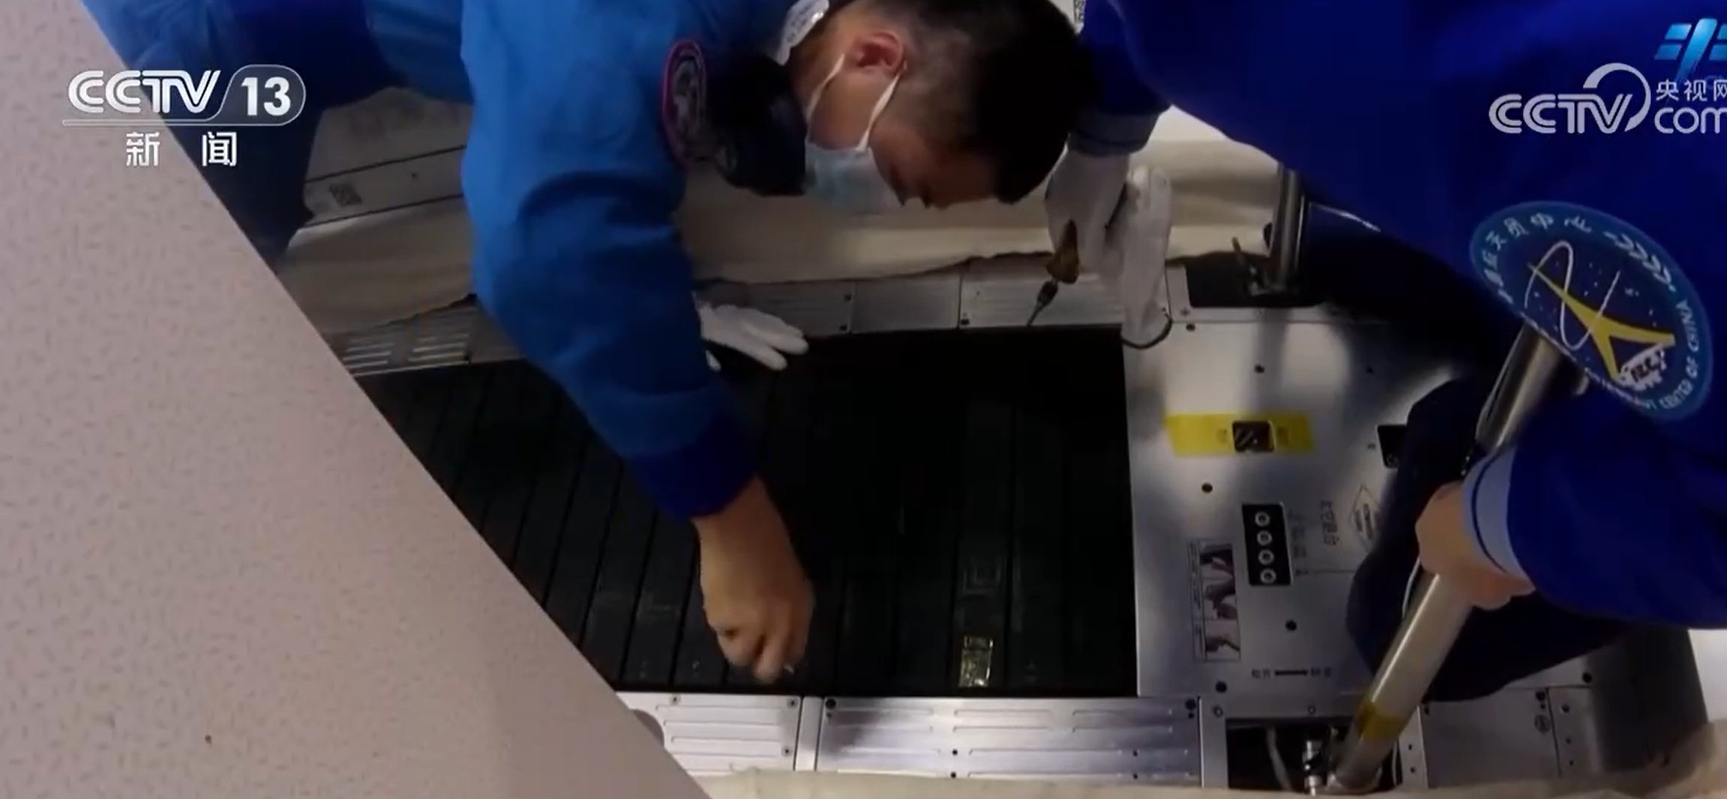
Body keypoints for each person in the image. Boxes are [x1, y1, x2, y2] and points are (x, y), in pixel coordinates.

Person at [81, 0, 1094, 682]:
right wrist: (730, 515)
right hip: (190, 39)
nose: (879, 200)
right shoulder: (643, 27)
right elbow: (543, 255)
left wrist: (656, 277)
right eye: (900, 177)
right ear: (873, 55)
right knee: (144, 323)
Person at [1045, 1, 1727, 700]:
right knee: (1327, 251)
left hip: (1670, 384)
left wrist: (1498, 524)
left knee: (1401, 622)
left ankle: (1481, 432)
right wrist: (1106, 124)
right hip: (1580, 210)